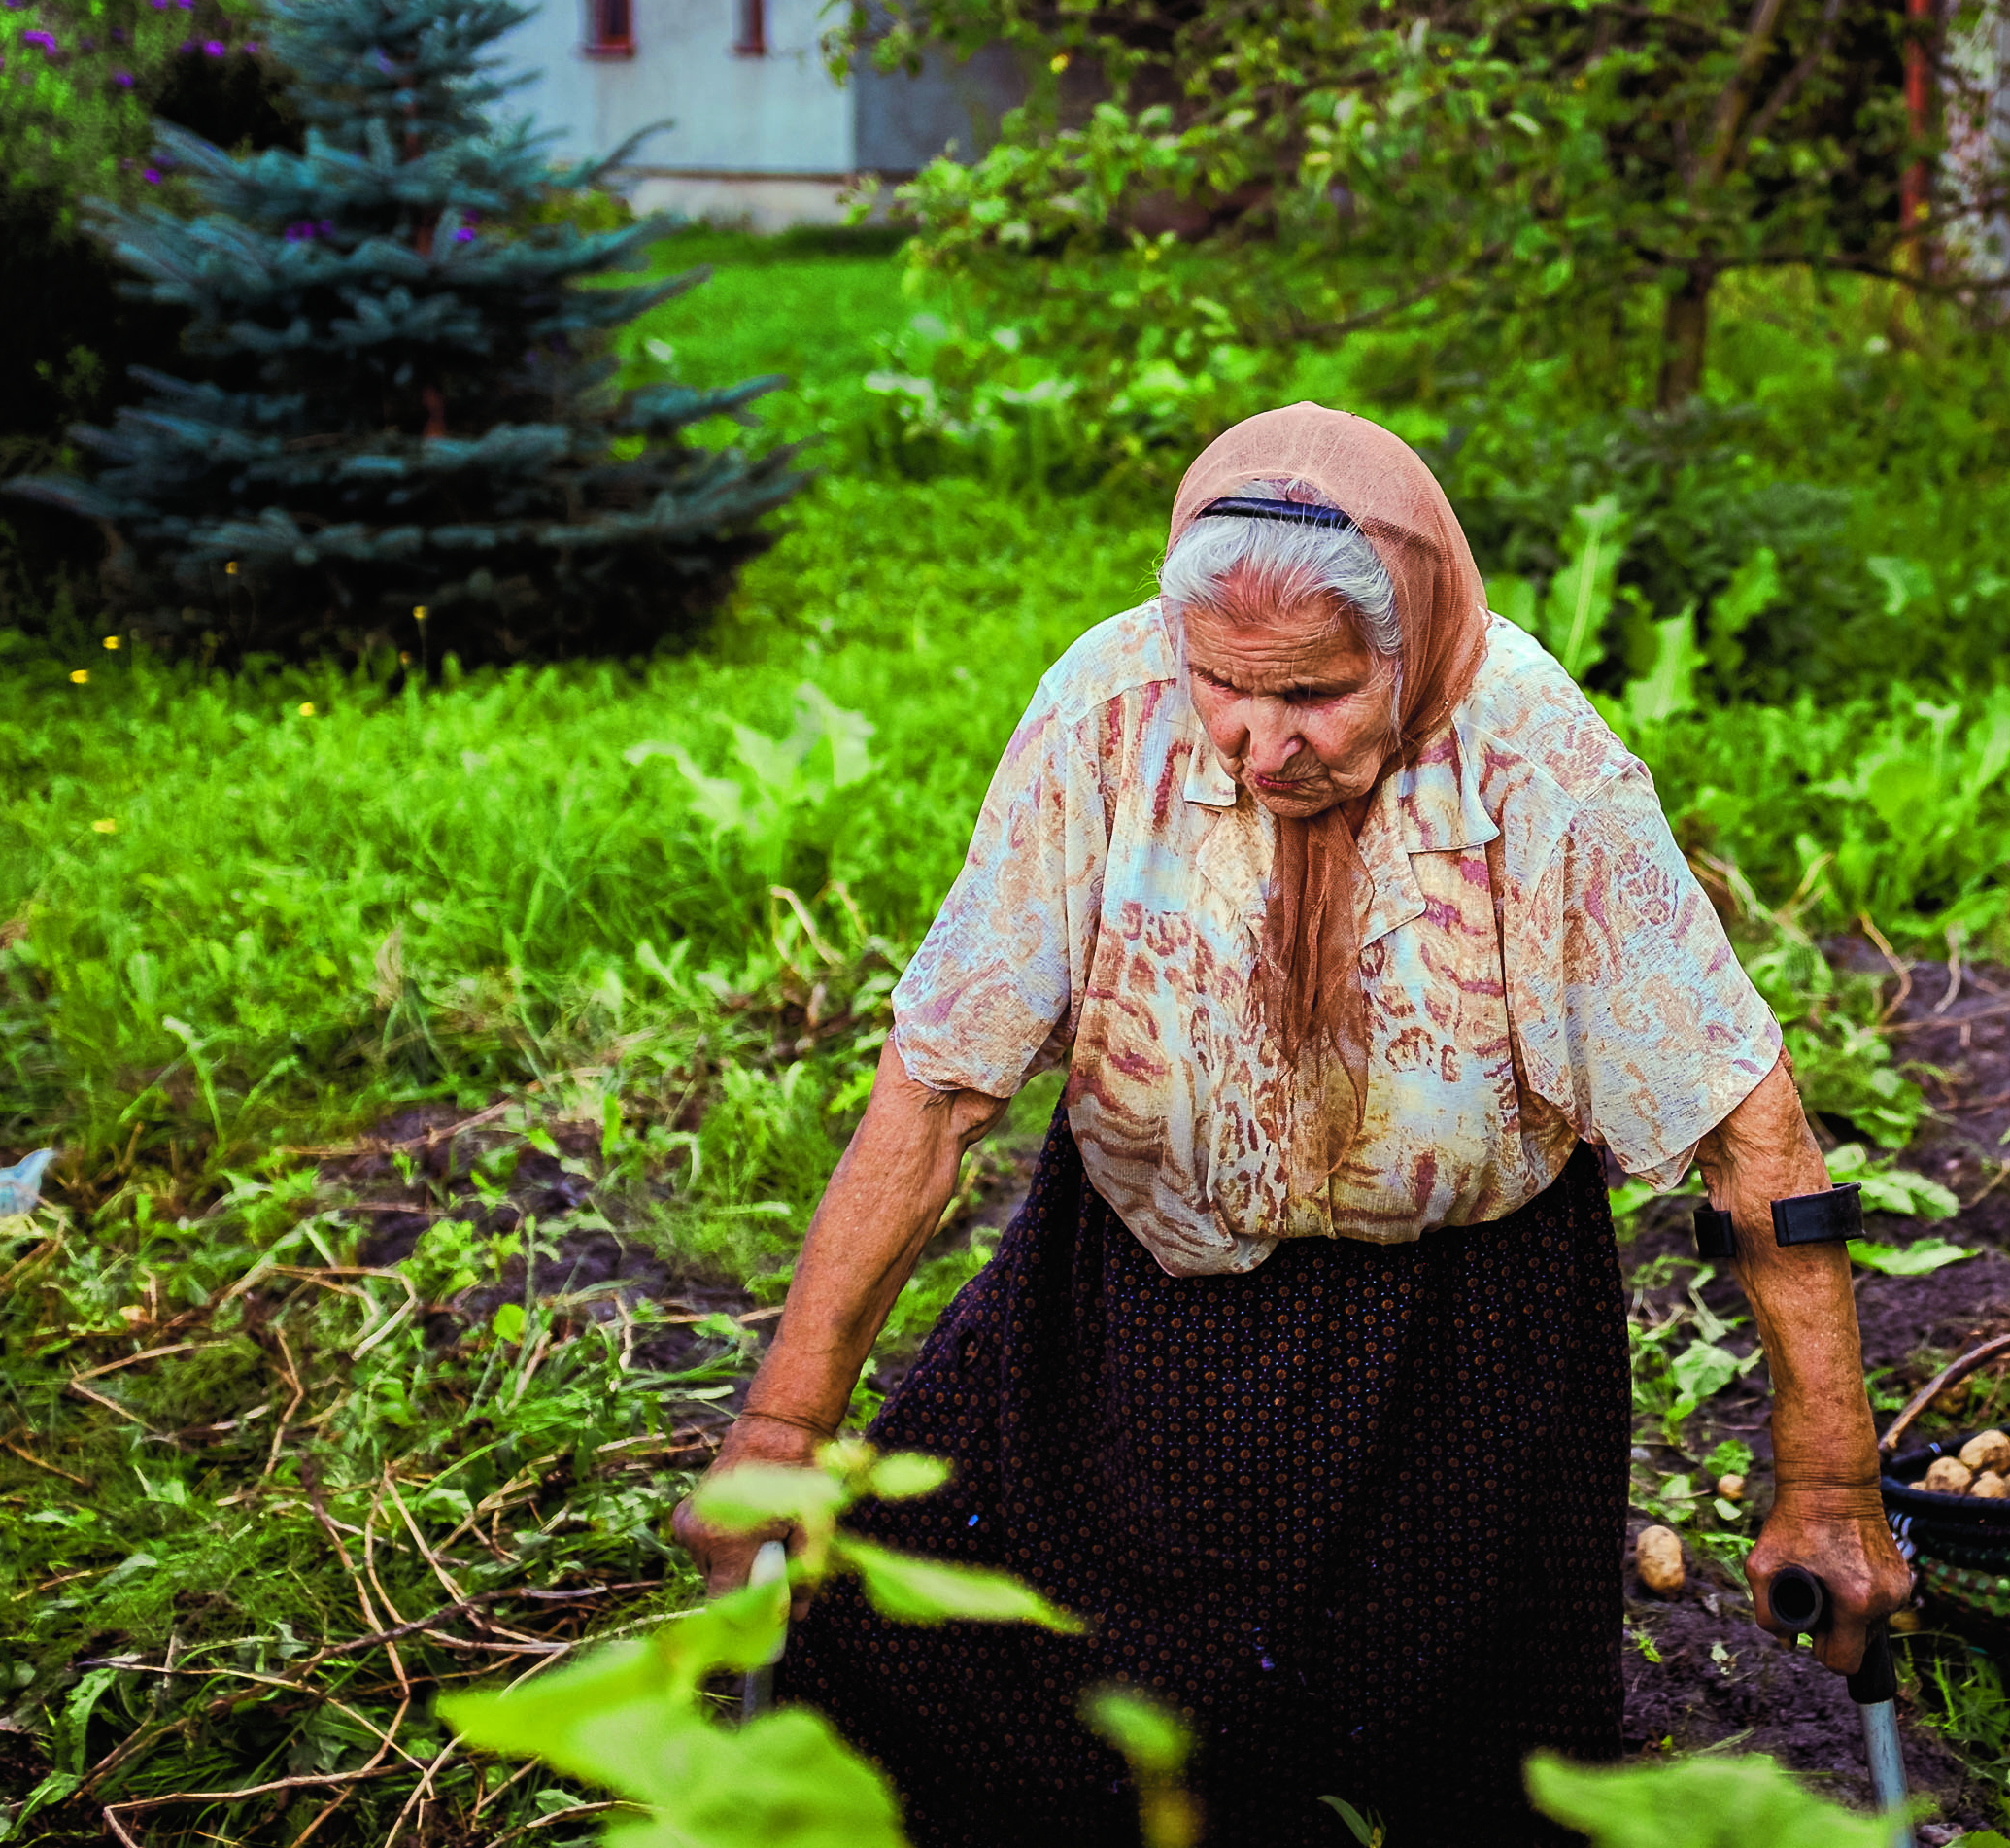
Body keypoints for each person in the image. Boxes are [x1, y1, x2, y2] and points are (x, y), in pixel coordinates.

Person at [675, 404, 1908, 1845]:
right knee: (940, 1669)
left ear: (1414, 641)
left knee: (1457, 1778)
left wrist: (1830, 1479)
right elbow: (940, 1080)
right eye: (1223, 687)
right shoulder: (1106, 707)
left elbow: (1747, 1127)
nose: (1261, 746)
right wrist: (783, 1417)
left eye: (1316, 694)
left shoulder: (1532, 755)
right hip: (1137, 1291)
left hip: (1465, 1336)